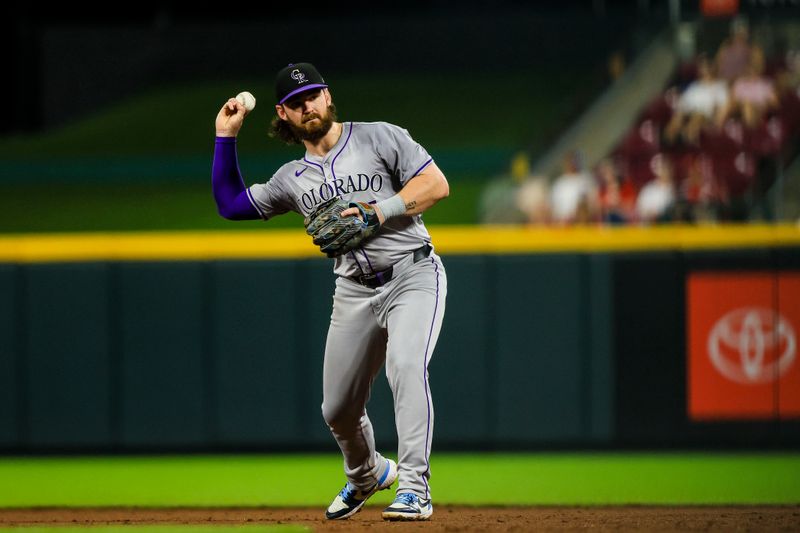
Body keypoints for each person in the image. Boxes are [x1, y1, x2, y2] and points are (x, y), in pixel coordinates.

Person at [211, 63, 449, 522]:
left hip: (412, 274)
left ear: (328, 96)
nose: (308, 106)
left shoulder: (380, 137)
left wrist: (379, 212)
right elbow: (230, 204)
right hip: (353, 291)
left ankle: (415, 488)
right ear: (283, 114)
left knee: (405, 365)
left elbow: (436, 185)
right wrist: (225, 136)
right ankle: (367, 475)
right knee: (338, 409)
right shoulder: (291, 178)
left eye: (314, 95)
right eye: (297, 103)